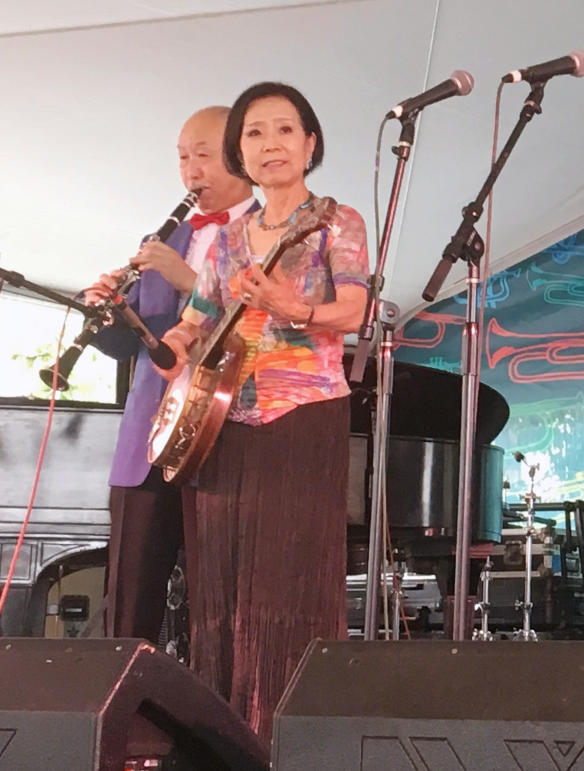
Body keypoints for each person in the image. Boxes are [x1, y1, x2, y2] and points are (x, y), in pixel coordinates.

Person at [157, 82, 368, 741]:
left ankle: (289, 737)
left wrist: (293, 306)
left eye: (284, 130)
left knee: (288, 585)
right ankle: (220, 738)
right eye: (253, 133)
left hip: (302, 420)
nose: (269, 144)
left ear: (310, 144)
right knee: (218, 589)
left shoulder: (337, 222)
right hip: (222, 425)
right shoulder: (226, 239)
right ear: (239, 152)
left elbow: (355, 312)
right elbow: (199, 318)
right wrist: (170, 345)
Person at [85, 106, 255, 642]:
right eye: (182, 158)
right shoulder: (165, 238)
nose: (190, 171)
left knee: (220, 603)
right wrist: (107, 313)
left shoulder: (272, 233)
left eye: (203, 155)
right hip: (149, 438)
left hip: (227, 434)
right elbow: (134, 347)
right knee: (130, 600)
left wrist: (190, 280)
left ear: (239, 157)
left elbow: (262, 333)